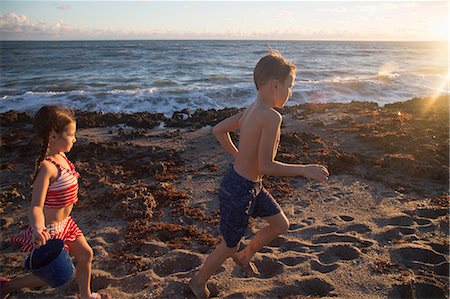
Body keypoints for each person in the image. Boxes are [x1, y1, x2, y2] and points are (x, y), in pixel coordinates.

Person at [189, 50, 329, 298]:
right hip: (240, 190)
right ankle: (198, 281)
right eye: (290, 86)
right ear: (276, 85)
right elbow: (266, 166)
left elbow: (218, 130)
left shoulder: (249, 111)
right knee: (228, 244)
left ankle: (246, 254)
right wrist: (304, 170)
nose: (290, 92)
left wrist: (239, 156)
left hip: (248, 185)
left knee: (280, 224)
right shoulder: (272, 117)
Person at [1, 105, 109, 299]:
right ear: (52, 136)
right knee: (53, 276)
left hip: (66, 224)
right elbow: (36, 205)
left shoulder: (62, 156)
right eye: (71, 134)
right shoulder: (47, 167)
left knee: (86, 255)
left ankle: (86, 295)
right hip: (49, 230)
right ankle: (6, 287)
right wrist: (37, 228)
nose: (75, 138)